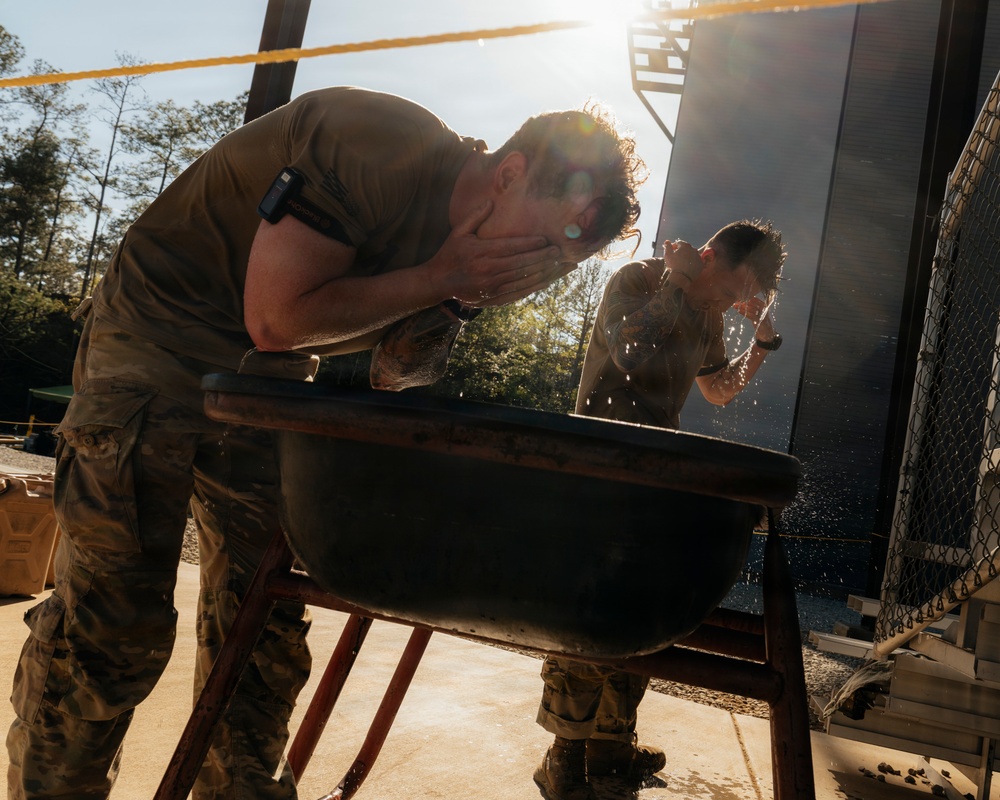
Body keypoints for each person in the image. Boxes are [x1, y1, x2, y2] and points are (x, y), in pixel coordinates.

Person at [6, 86, 645, 800]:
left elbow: (392, 372)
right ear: (509, 174)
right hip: (157, 341)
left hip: (266, 381)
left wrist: (459, 297)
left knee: (262, 628)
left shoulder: (474, 249)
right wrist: (443, 276)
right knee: (112, 624)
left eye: (560, 265)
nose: (536, 271)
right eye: (543, 245)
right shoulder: (376, 139)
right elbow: (276, 318)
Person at [533, 219, 786, 800]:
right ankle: (565, 757)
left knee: (638, 610)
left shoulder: (708, 314)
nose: (726, 304)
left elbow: (717, 390)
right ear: (708, 256)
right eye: (728, 290)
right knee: (588, 610)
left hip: (654, 478)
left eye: (738, 299)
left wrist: (763, 343)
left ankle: (611, 750)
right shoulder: (641, 279)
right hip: (599, 470)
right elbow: (628, 352)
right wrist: (675, 283)